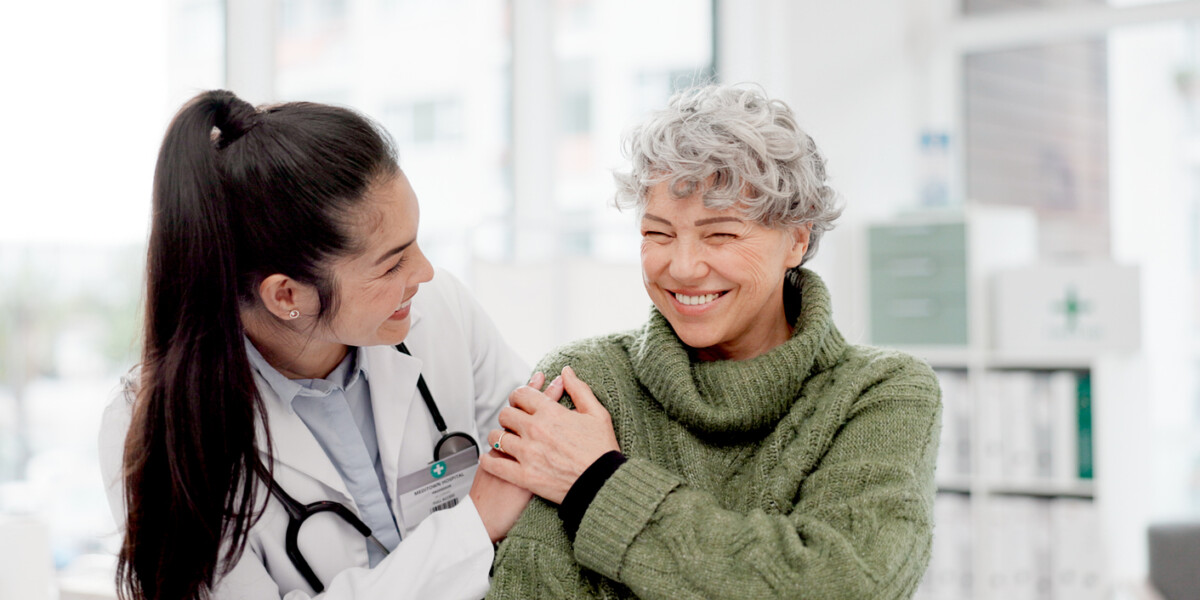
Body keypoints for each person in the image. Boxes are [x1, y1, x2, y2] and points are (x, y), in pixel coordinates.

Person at [479, 84, 943, 599]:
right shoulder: (586, 379)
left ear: (797, 239)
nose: (681, 267)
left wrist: (597, 484)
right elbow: (532, 588)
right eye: (657, 234)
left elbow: (840, 583)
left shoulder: (883, 392)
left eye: (720, 234)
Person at [98, 90, 533, 600]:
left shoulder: (440, 315)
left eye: (416, 243)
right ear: (287, 295)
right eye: (392, 264)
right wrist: (473, 526)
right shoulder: (159, 429)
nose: (425, 273)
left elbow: (537, 458)